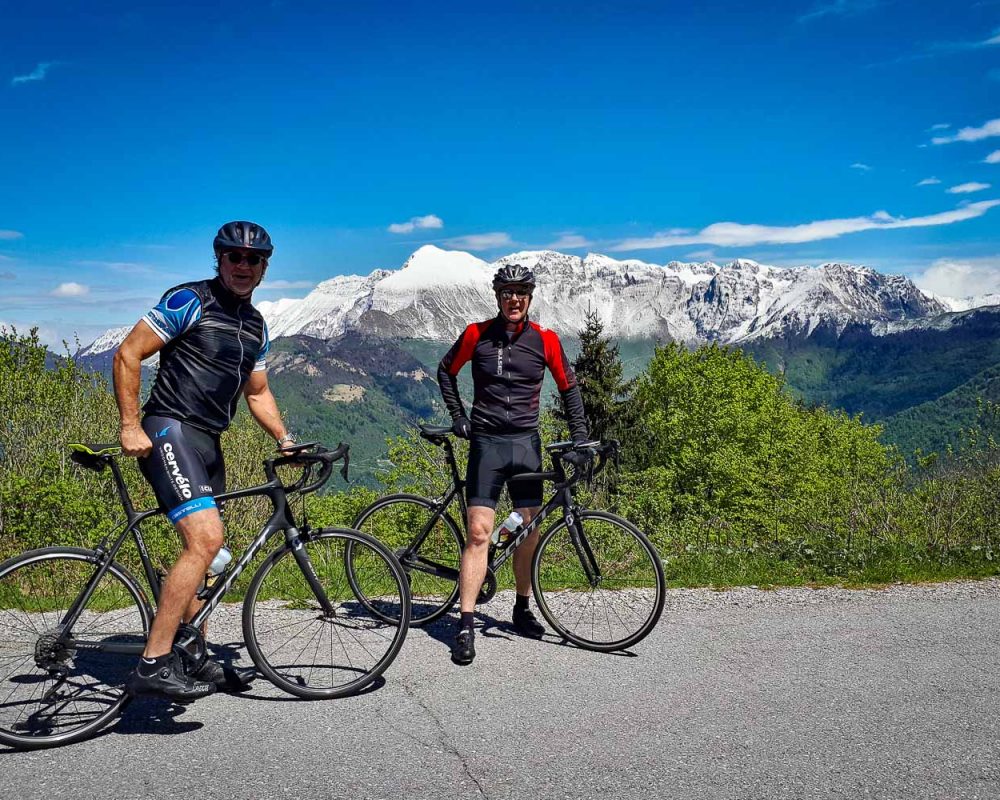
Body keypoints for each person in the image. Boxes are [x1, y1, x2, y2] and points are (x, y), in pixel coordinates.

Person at [114, 221, 295, 701]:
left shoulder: (256, 325)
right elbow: (128, 354)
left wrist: (285, 439)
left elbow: (257, 392)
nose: (243, 265)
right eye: (234, 256)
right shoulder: (189, 300)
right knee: (206, 539)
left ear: (264, 268)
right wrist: (130, 426)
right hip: (169, 427)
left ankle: (195, 653)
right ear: (218, 259)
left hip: (208, 440)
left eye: (253, 260)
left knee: (210, 556)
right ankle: (153, 662)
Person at [437, 263, 591, 665]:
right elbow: (445, 371)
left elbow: (569, 388)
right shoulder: (476, 334)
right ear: (498, 297)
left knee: (528, 528)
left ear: (530, 297)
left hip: (525, 444)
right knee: (478, 533)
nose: (514, 299)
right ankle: (466, 622)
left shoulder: (546, 340)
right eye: (507, 292)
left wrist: (579, 438)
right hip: (486, 444)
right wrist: (458, 417)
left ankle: (522, 608)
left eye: (521, 292)